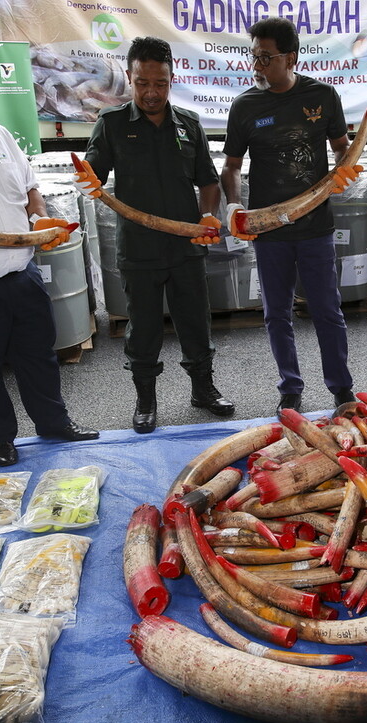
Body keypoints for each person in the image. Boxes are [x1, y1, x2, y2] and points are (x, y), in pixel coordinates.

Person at [75, 36, 234, 433]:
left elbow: (209, 182)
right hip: (140, 248)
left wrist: (207, 217)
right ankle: (146, 399)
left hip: (187, 245)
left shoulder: (189, 124)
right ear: (130, 79)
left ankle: (204, 389)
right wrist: (85, 177)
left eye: (160, 83)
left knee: (196, 322)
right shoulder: (111, 125)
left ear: (171, 79)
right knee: (143, 327)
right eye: (143, 83)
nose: (151, 92)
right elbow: (93, 172)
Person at [220, 17, 362, 416]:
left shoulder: (323, 97)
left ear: (291, 57)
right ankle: (290, 388)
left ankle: (341, 388)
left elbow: (341, 148)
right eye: (254, 57)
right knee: (276, 313)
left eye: (266, 58)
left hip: (315, 225)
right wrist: (233, 205)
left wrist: (345, 168)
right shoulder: (245, 106)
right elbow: (231, 166)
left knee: (327, 310)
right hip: (270, 229)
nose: (258, 66)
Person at [0, 77, 99, 467]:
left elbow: (29, 189)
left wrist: (39, 219)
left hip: (23, 274)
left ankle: (53, 424)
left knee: (39, 356)